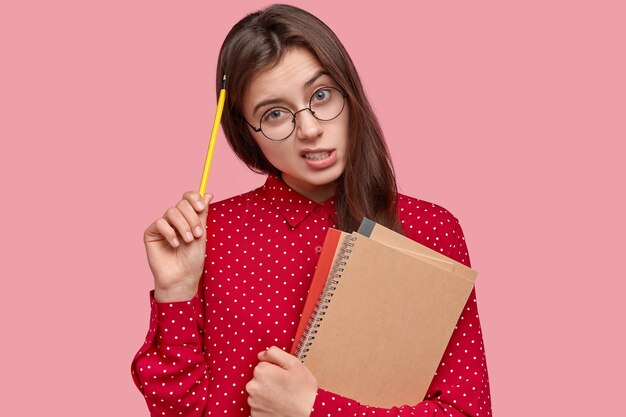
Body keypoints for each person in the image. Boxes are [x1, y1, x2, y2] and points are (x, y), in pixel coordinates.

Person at [131, 4, 492, 417]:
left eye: (321, 95)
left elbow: (465, 411)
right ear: (247, 132)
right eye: (275, 114)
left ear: (348, 91)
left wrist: (313, 409)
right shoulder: (209, 234)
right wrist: (176, 290)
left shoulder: (429, 228)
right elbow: (180, 411)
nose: (309, 129)